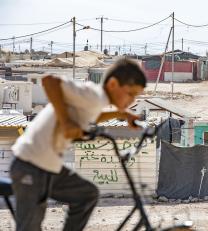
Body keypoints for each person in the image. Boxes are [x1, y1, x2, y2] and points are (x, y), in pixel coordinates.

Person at [10, 59, 147, 231]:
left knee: (87, 194)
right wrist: (66, 122)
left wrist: (121, 114)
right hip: (30, 164)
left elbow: (92, 116)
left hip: (47, 166)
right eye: (131, 93)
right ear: (113, 84)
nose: (132, 100)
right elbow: (49, 81)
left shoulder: (96, 102)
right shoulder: (93, 95)